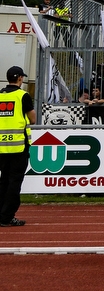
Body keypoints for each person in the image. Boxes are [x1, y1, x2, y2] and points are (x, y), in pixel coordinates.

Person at [0, 66, 35, 227]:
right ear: (20, 78)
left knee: (3, 181)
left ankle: (2, 214)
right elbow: (32, 119)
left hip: (1, 146)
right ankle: (7, 216)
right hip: (19, 146)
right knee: (14, 183)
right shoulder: (23, 96)